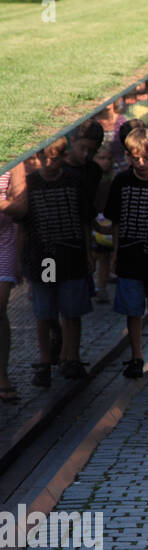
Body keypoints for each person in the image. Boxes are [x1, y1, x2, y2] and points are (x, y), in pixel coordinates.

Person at [4, 137, 100, 385]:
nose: (49, 163)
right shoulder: (30, 184)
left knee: (72, 309)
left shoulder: (73, 182)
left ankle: (72, 357)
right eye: (44, 158)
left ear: (63, 156)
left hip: (71, 254)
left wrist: (89, 251)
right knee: (45, 311)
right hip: (43, 256)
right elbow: (22, 227)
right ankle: (45, 359)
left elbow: (84, 220)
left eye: (54, 158)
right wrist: (20, 259)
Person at [107, 127, 148, 381]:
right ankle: (136, 355)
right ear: (127, 156)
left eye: (147, 158)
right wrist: (115, 252)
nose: (142, 164)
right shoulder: (121, 181)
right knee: (132, 311)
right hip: (129, 255)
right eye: (136, 158)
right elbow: (115, 220)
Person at [0, 163, 22, 402]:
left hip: (3, 239)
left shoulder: (15, 157)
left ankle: (2, 373)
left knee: (0, 305)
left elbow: (22, 205)